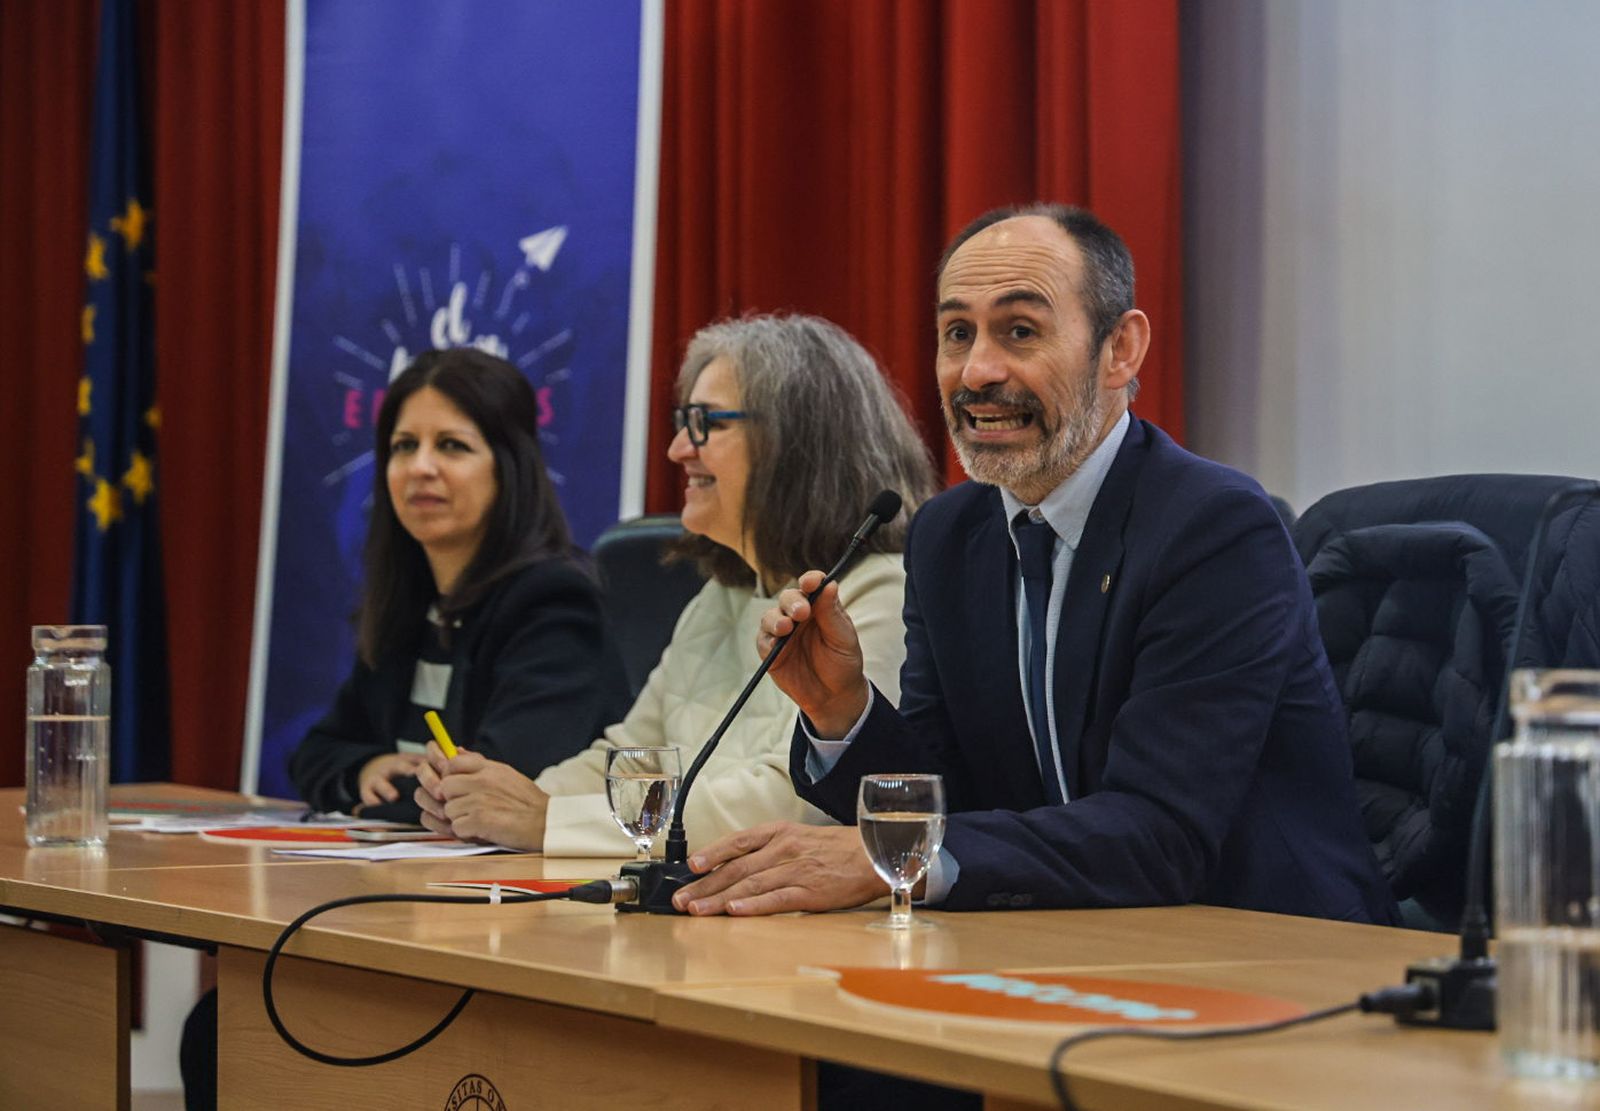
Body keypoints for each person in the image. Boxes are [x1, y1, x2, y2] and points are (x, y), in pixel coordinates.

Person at [671, 204, 1397, 924]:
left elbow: (1163, 832)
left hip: (1269, 945)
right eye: (957, 333)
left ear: (1120, 350)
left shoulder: (1214, 529)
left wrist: (891, 856)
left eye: (1020, 331)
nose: (977, 371)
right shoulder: (949, 535)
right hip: (1063, 936)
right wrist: (842, 712)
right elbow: (951, 794)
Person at [414, 313, 939, 854]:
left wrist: (546, 821)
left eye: (705, 423)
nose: (678, 449)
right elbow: (630, 760)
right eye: (683, 421)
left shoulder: (882, 593)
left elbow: (795, 804)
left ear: (797, 439)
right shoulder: (723, 595)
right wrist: (491, 805)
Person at [287, 347, 629, 821]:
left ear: (508, 467)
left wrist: (382, 796)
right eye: (404, 446)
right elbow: (314, 752)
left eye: (451, 445)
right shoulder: (411, 599)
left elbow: (494, 789)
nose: (420, 467)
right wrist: (365, 769)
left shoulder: (554, 602)